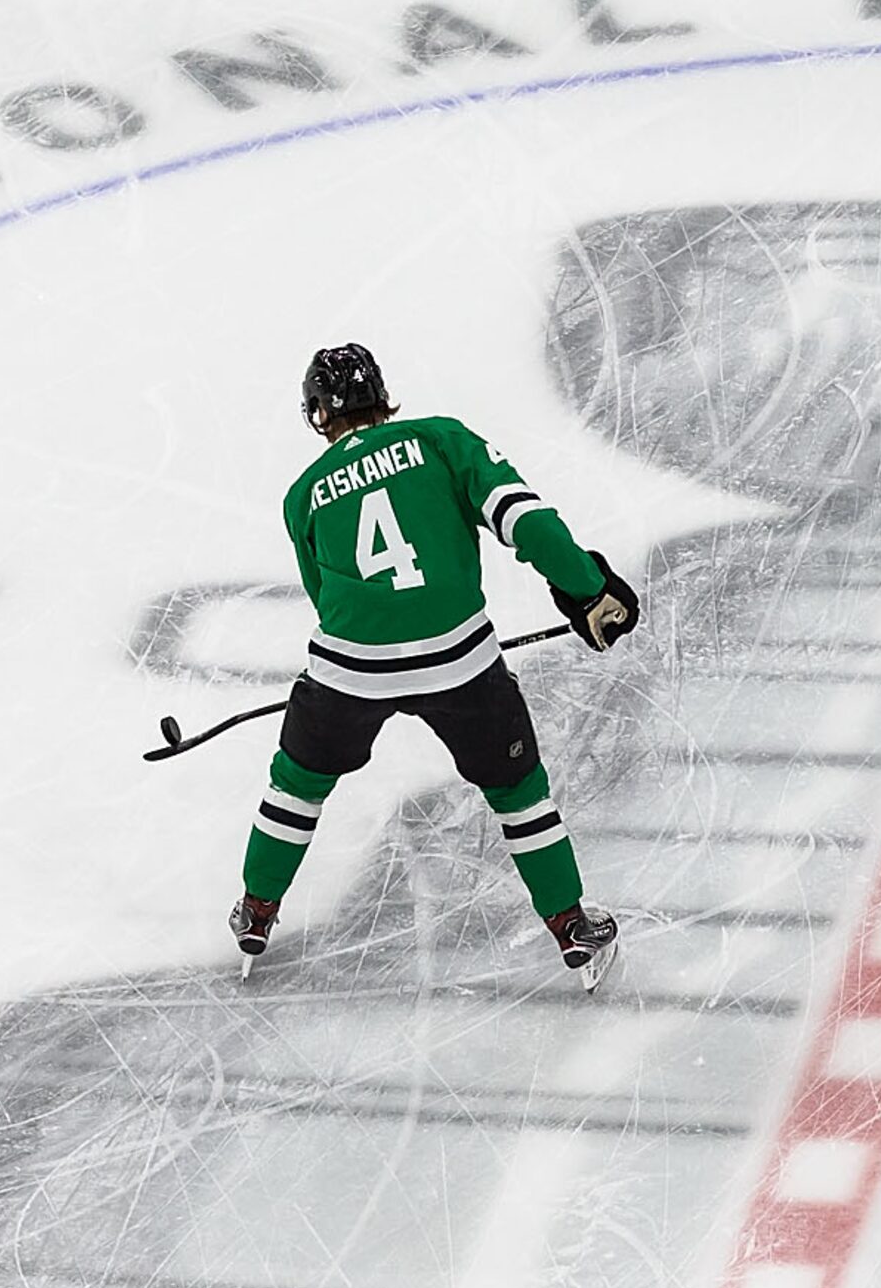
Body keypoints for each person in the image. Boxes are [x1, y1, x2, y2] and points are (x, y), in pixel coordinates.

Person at [229, 343, 638, 983]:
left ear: (317, 414)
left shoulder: (303, 494)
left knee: (298, 784)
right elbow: (526, 521)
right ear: (383, 396)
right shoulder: (442, 441)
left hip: (347, 671)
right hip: (460, 662)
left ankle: (256, 910)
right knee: (518, 793)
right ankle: (571, 927)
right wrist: (586, 587)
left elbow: (324, 597)